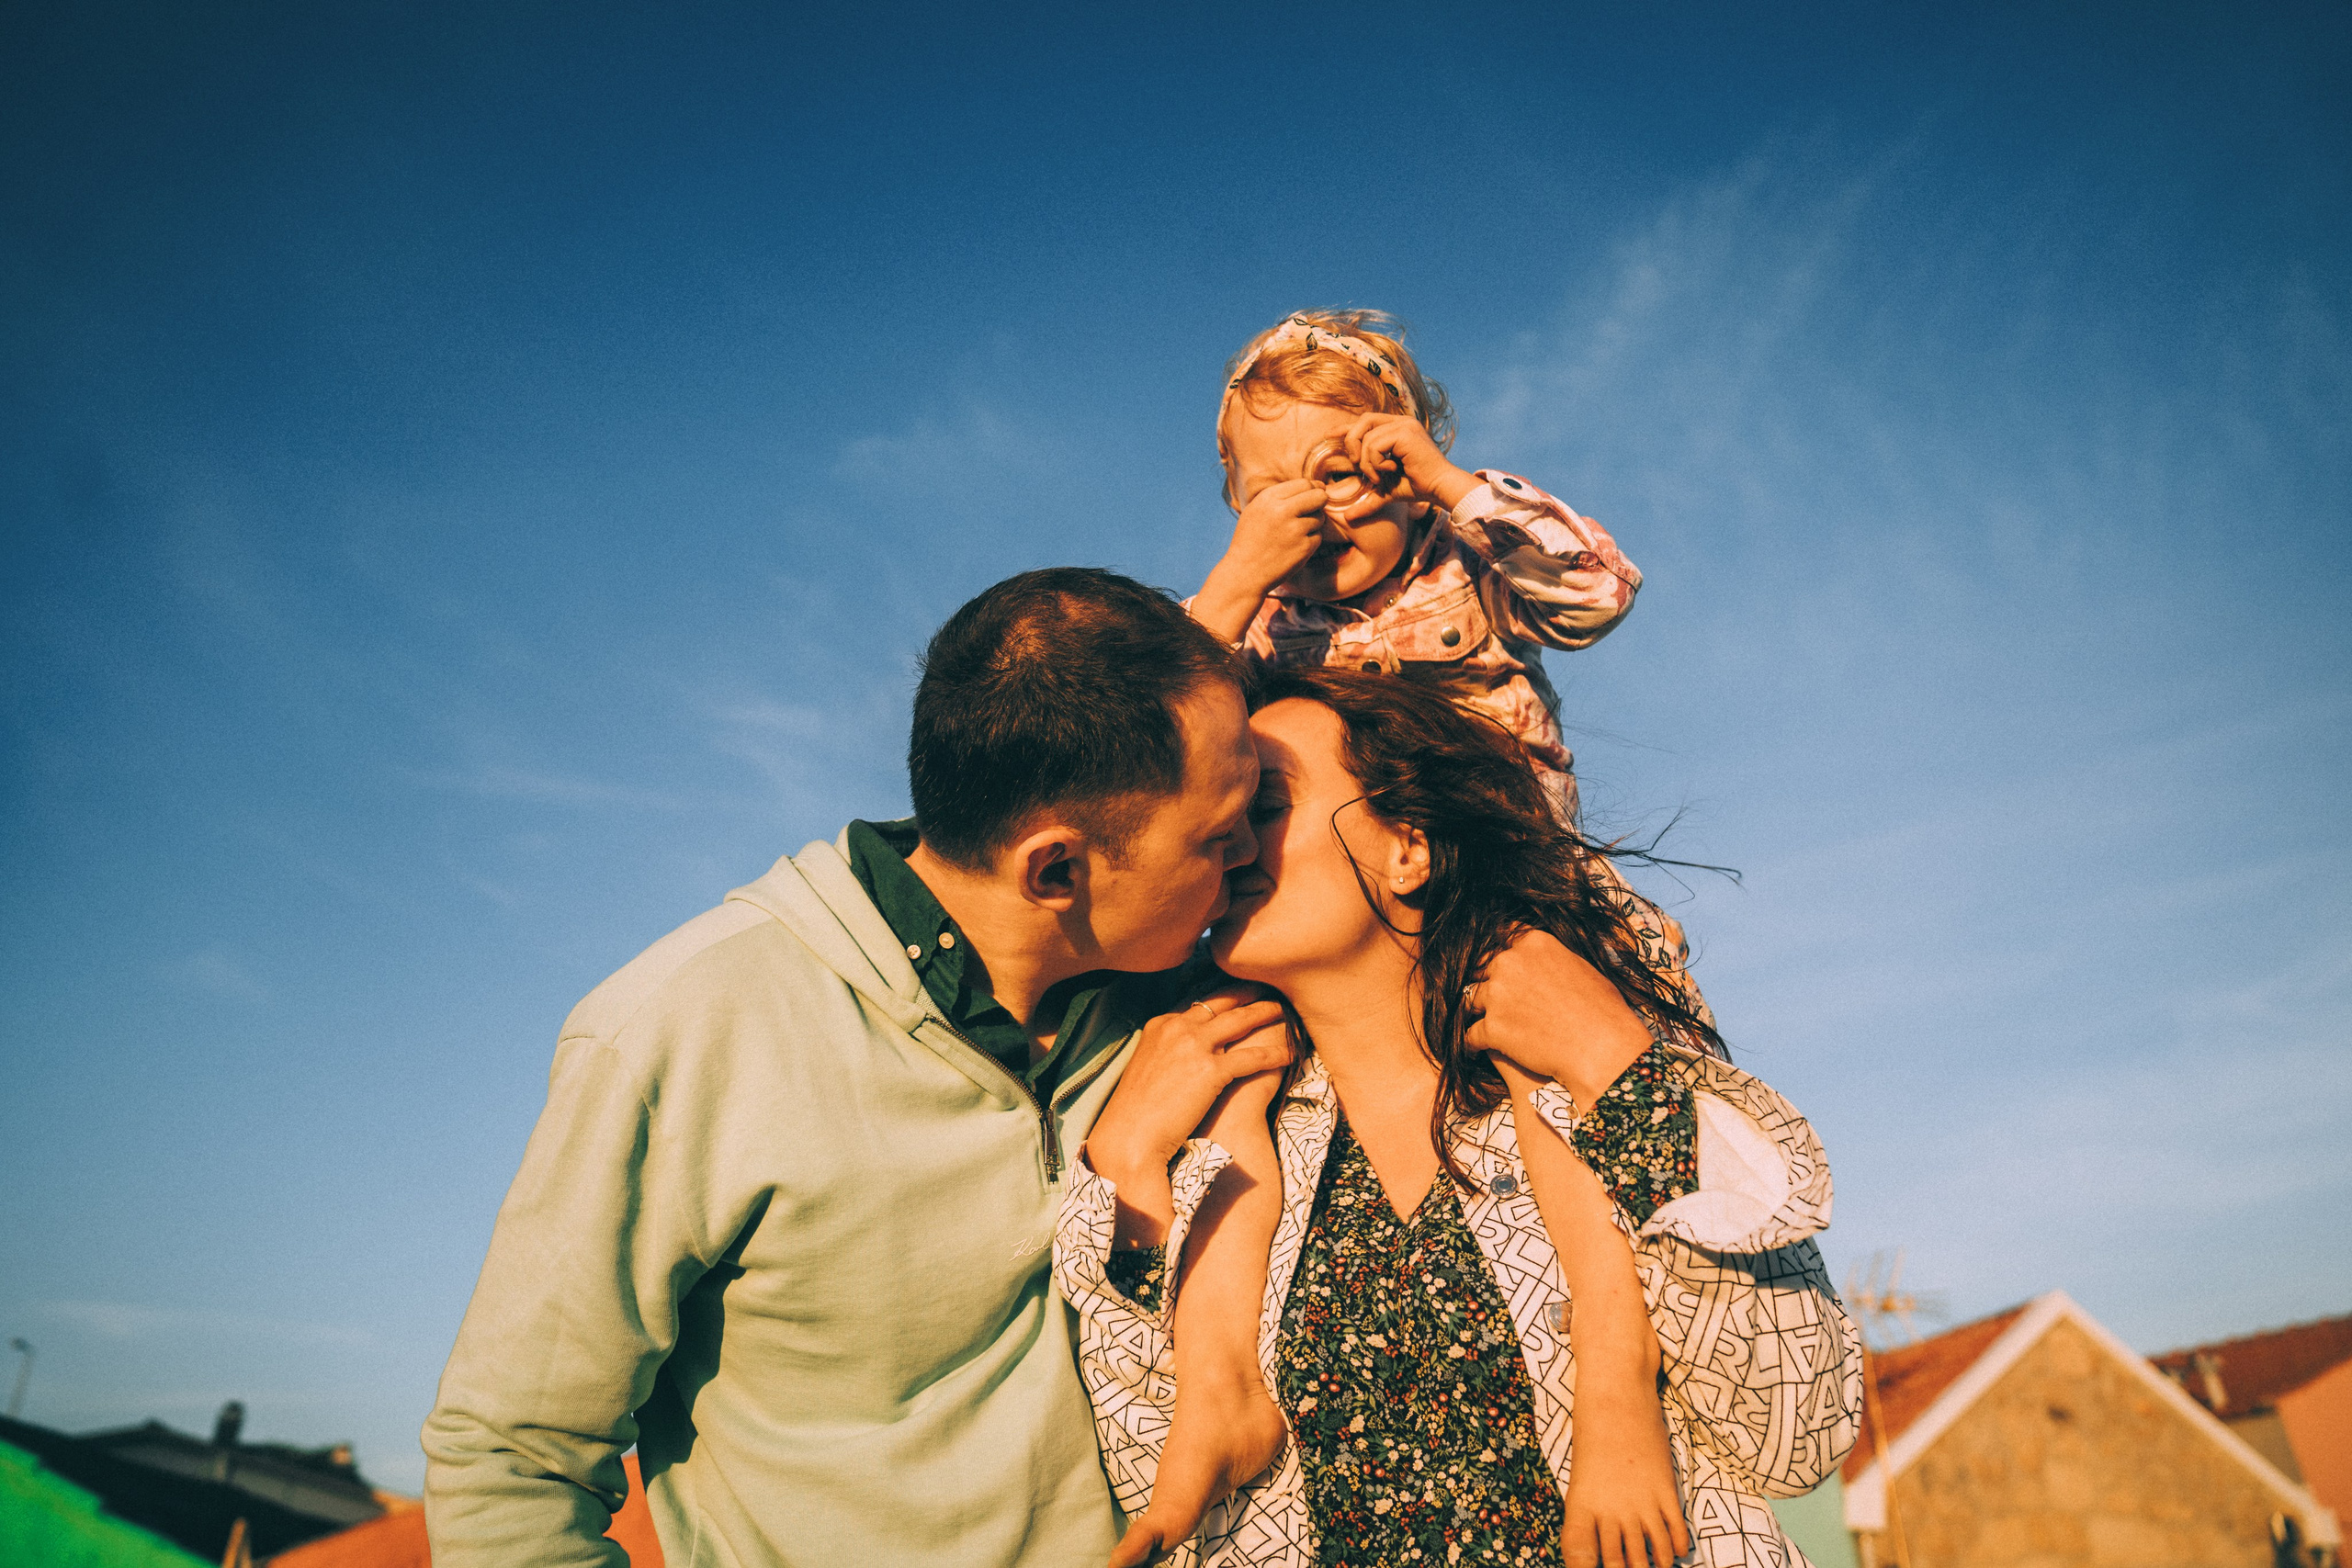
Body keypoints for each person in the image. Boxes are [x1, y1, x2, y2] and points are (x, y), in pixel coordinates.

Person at [420, 569, 1290, 1566]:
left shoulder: (1181, 992)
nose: (1247, 858)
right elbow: (510, 1465)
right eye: (1218, 837)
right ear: (1056, 869)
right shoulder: (682, 1029)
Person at [1132, 309, 1723, 1561]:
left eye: (1348, 473)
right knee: (1236, 1098)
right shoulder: (1253, 628)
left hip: (1513, 902)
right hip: (1346, 929)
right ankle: (1217, 1385)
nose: (1318, 513)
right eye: (1274, 489)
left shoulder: (1467, 560)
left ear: (1404, 464)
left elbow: (1598, 590)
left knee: (1552, 1094)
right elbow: (1142, 739)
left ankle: (1613, 1371)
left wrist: (1452, 485)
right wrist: (1238, 575)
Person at [1059, 668, 1863, 1568]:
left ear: (1409, 847)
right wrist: (1127, 1164)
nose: (1233, 845)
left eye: (1269, 806)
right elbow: (1156, 1484)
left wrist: (1619, 1068)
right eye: (1222, 817)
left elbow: (1796, 1431)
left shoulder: (1579, 1070)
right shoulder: (1227, 1138)